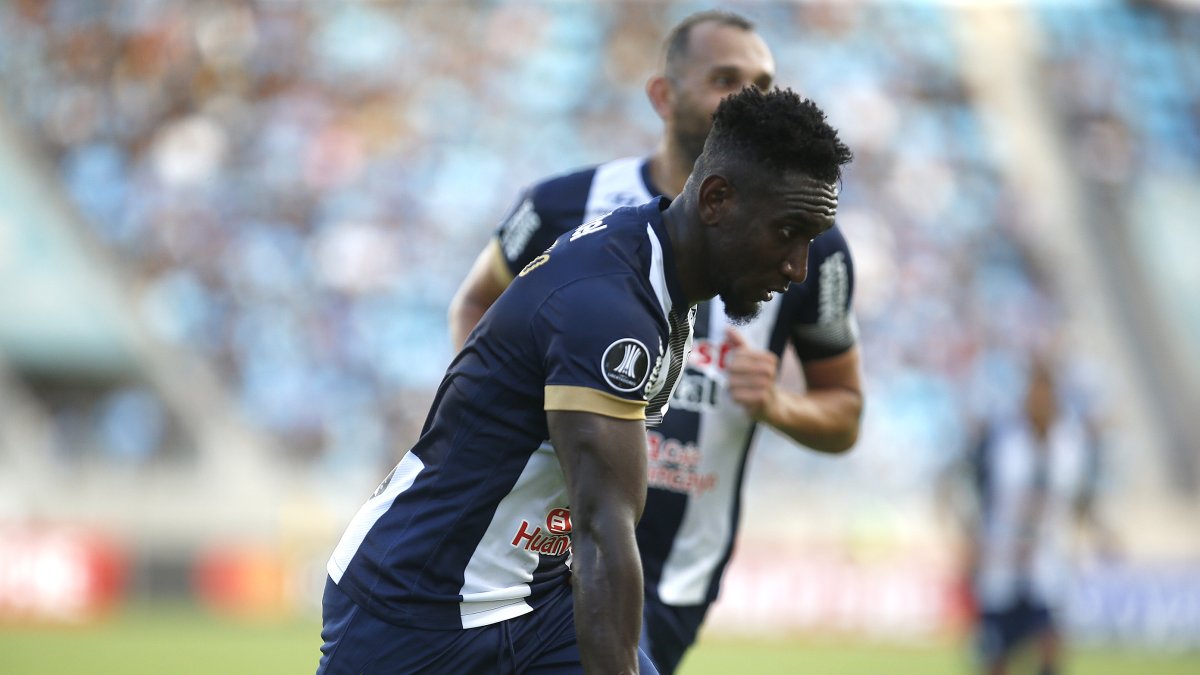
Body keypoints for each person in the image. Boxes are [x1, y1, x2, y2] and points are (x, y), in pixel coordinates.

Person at [318, 87, 853, 674]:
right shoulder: (608, 308)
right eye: (787, 232)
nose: (797, 267)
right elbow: (603, 528)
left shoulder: (652, 266)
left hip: (532, 599)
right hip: (414, 603)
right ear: (716, 199)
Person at [447, 11, 864, 674]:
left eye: (763, 83)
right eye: (725, 79)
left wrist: (778, 405)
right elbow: (476, 301)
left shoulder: (807, 244)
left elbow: (845, 412)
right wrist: (498, 410)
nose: (748, 97)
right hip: (540, 541)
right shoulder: (566, 206)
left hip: (672, 576)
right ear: (663, 96)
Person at [954, 356, 1114, 675]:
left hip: (1047, 564)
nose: (1038, 402)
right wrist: (970, 541)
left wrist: (1099, 534)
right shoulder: (1000, 440)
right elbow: (973, 491)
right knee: (995, 656)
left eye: (1045, 395)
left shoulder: (1072, 445)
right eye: (1033, 394)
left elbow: (1081, 498)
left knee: (1049, 646)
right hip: (999, 564)